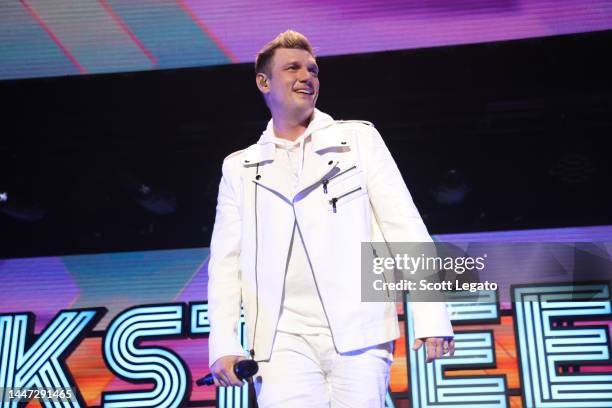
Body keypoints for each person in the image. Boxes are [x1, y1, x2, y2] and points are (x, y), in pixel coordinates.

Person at [207, 30, 454, 407]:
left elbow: (404, 225)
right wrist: (223, 342)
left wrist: (432, 314)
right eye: (292, 68)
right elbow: (225, 265)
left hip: (360, 328)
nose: (307, 76)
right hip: (279, 337)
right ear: (263, 81)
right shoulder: (240, 167)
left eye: (313, 69)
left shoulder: (358, 140)